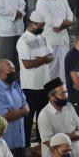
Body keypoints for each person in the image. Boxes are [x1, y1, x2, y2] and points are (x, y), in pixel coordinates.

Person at [17, 11, 52, 147]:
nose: (42, 28)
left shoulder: (43, 37)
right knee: (28, 118)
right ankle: (25, 145)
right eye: (41, 26)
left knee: (43, 117)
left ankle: (41, 141)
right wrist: (44, 59)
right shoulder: (23, 41)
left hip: (44, 83)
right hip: (30, 85)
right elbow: (27, 64)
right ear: (32, 24)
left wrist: (41, 59)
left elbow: (51, 56)